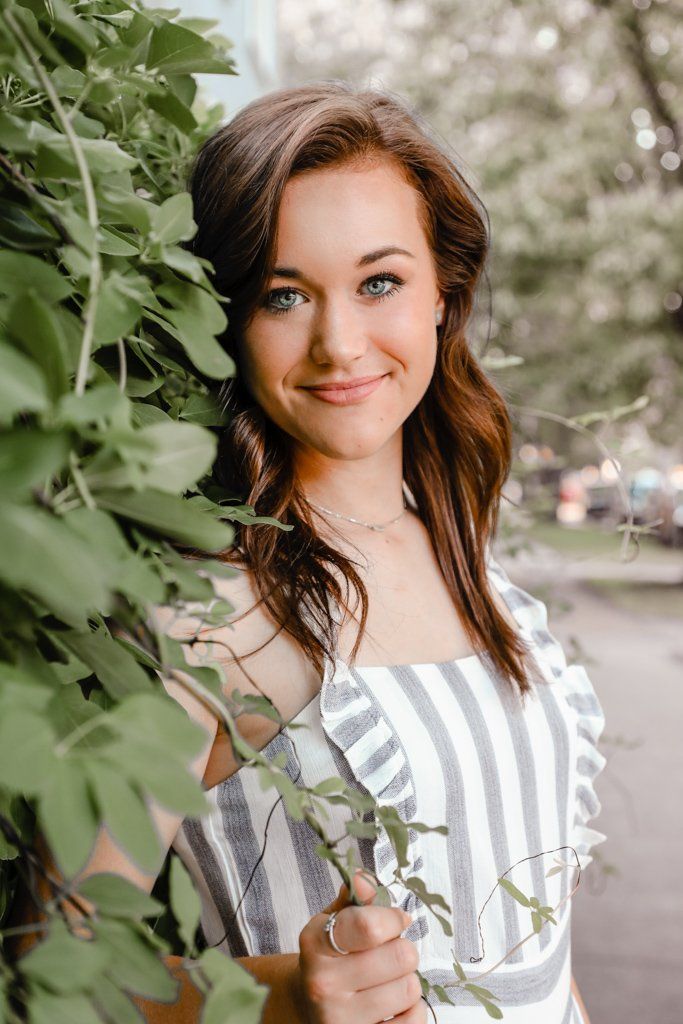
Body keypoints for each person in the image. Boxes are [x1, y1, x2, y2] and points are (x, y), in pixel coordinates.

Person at [15, 82, 606, 1024]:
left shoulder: (466, 558)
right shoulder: (223, 617)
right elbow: (50, 973)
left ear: (444, 297)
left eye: (380, 282)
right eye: (283, 295)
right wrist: (281, 998)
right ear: (229, 321)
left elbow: (538, 956)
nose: (339, 343)